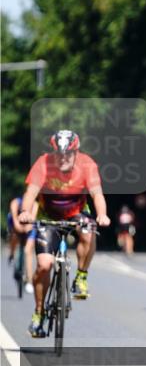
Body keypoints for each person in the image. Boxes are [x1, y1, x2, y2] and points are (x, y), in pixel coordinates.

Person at [18, 130, 111, 336]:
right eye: (59, 155)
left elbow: (97, 195)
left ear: (76, 152)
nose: (63, 159)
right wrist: (25, 212)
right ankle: (39, 312)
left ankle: (81, 277)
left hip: (77, 212)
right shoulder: (43, 163)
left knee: (89, 230)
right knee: (44, 266)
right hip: (47, 216)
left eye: (68, 155)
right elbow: (31, 193)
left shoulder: (87, 164)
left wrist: (102, 215)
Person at [7, 195, 38, 295]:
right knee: (14, 237)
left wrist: (27, 228)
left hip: (29, 227)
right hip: (16, 225)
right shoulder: (15, 203)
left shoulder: (35, 204)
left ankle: (29, 281)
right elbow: (15, 221)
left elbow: (32, 221)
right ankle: (11, 255)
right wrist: (19, 228)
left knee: (28, 251)